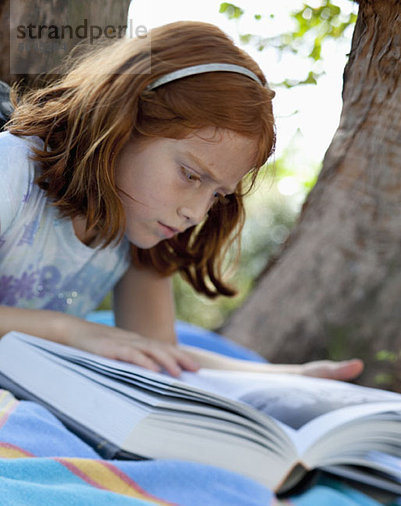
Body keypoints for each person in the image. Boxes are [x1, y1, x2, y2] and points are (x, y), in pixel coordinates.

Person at [0, 20, 363, 380]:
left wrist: (290, 379)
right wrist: (68, 331)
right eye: (191, 176)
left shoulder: (137, 226)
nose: (195, 212)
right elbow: (91, 337)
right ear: (125, 121)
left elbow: (158, 350)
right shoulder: (12, 168)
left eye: (217, 195)